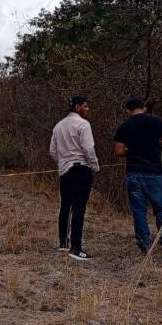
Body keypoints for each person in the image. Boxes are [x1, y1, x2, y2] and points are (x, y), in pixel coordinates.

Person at [114, 97, 162, 255]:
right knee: (161, 209)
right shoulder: (157, 121)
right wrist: (156, 145)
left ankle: (145, 245)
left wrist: (130, 150)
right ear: (144, 107)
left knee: (139, 211)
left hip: (133, 172)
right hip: (154, 172)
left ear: (127, 110)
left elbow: (118, 151)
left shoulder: (124, 126)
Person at [50, 94, 100, 260]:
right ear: (78, 107)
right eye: (85, 106)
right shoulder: (83, 124)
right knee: (79, 208)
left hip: (64, 171)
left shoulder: (58, 126)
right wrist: (94, 166)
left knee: (65, 206)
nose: (87, 109)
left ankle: (63, 243)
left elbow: (52, 151)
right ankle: (76, 248)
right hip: (80, 169)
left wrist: (63, 162)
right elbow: (89, 149)